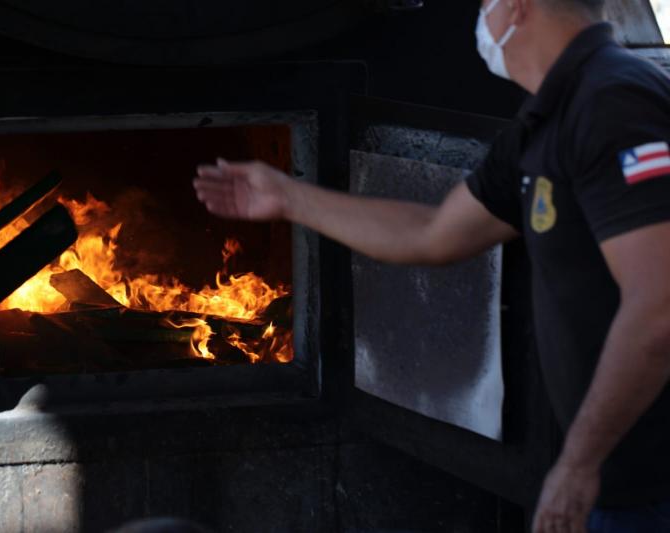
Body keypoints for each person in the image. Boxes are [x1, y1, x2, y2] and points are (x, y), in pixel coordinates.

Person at [193, 0, 670, 532]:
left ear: (517, 6)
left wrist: (579, 466)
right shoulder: (545, 120)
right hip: (611, 484)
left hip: (648, 487)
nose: (480, 14)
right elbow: (435, 233)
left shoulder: (614, 101)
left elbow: (658, 307)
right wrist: (289, 199)